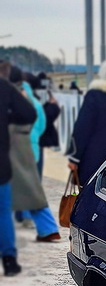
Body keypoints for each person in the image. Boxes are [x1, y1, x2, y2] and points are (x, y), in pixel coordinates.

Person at [7, 66, 60, 244]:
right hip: (31, 147)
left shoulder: (11, 99)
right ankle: (46, 227)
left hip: (14, 146)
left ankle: (38, 223)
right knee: (29, 185)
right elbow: (42, 123)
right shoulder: (35, 103)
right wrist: (33, 137)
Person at [0, 61, 38, 276]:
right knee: (3, 213)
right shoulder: (4, 87)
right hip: (1, 165)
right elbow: (29, 114)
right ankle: (9, 260)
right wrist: (7, 117)